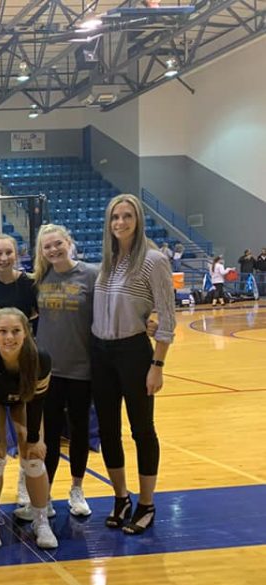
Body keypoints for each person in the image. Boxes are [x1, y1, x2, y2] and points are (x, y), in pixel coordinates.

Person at [92, 194, 175, 535]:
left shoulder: (153, 260)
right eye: (115, 217)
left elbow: (167, 317)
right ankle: (121, 497)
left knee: (142, 429)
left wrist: (157, 364)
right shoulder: (108, 261)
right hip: (101, 352)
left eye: (127, 216)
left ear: (138, 220)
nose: (121, 222)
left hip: (133, 353)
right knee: (108, 429)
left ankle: (146, 502)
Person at [0, 308, 56, 549]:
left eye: (16, 331)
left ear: (27, 332)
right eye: (2, 331)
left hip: (25, 400)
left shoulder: (40, 358)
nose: (9, 337)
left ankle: (41, 521)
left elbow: (37, 402)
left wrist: (34, 439)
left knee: (33, 457)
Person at [33, 224, 97, 518]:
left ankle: (77, 488)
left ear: (69, 242)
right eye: (47, 247)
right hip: (49, 371)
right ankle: (44, 494)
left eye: (58, 244)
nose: (54, 250)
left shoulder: (90, 275)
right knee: (50, 434)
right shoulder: (39, 278)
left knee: (80, 432)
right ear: (42, 251)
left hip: (81, 368)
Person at [0, 234, 38, 330]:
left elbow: (37, 316)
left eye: (9, 252)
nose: (4, 258)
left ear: (16, 255)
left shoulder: (30, 283)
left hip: (24, 342)